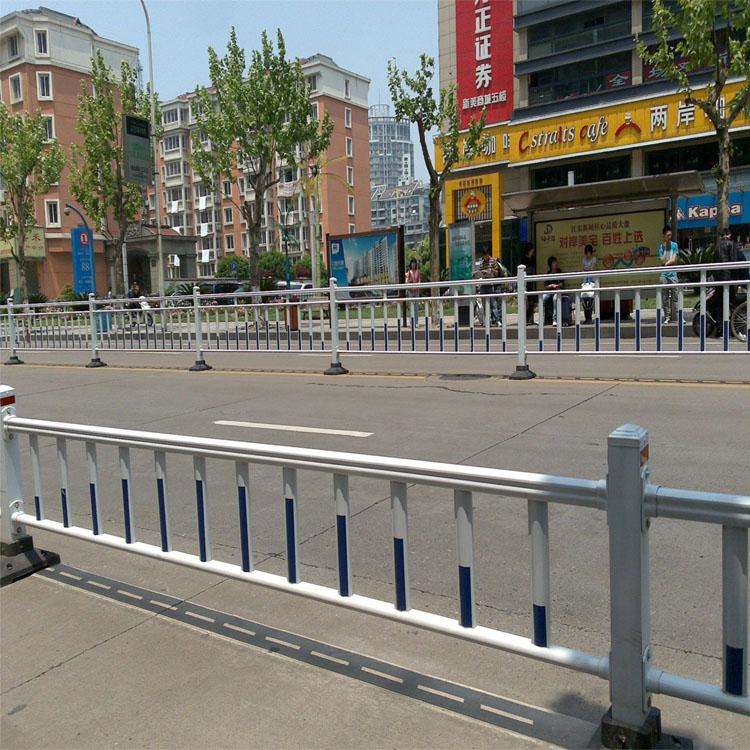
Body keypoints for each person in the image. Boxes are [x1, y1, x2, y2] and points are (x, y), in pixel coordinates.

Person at [709, 227, 737, 332]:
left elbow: (714, 263)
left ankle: (720, 329)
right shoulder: (731, 244)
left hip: (719, 279)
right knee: (733, 303)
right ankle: (735, 328)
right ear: (729, 234)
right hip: (728, 277)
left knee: (720, 303)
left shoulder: (717, 247)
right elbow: (734, 261)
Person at [657, 226, 679, 324]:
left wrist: (667, 262)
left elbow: (674, 259)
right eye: (667, 235)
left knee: (675, 296)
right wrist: (666, 249)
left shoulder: (674, 245)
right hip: (664, 275)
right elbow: (662, 260)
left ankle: (678, 315)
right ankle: (667, 316)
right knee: (665, 297)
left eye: (670, 235)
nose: (669, 237)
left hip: (673, 274)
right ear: (664, 236)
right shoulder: (661, 247)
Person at [474, 247, 502, 324]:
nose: (485, 257)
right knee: (484, 304)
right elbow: (480, 271)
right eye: (483, 256)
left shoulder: (493, 261)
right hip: (483, 284)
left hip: (491, 284)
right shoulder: (482, 262)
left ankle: (497, 320)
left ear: (488, 254)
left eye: (486, 255)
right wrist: (478, 273)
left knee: (493, 304)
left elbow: (496, 273)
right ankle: (487, 320)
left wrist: (490, 271)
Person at [542, 256, 566, 325]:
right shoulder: (548, 273)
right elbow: (546, 286)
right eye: (554, 263)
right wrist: (551, 285)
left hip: (558, 291)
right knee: (543, 298)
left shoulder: (559, 271)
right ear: (550, 264)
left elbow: (562, 283)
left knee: (555, 298)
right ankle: (542, 319)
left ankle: (554, 319)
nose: (555, 264)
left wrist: (557, 285)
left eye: (556, 262)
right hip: (550, 291)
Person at [521, 243, 537, 325]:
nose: (533, 250)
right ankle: (526, 319)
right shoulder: (523, 259)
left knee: (533, 301)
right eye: (532, 249)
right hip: (526, 281)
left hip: (533, 281)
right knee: (526, 301)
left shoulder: (533, 258)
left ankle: (529, 318)